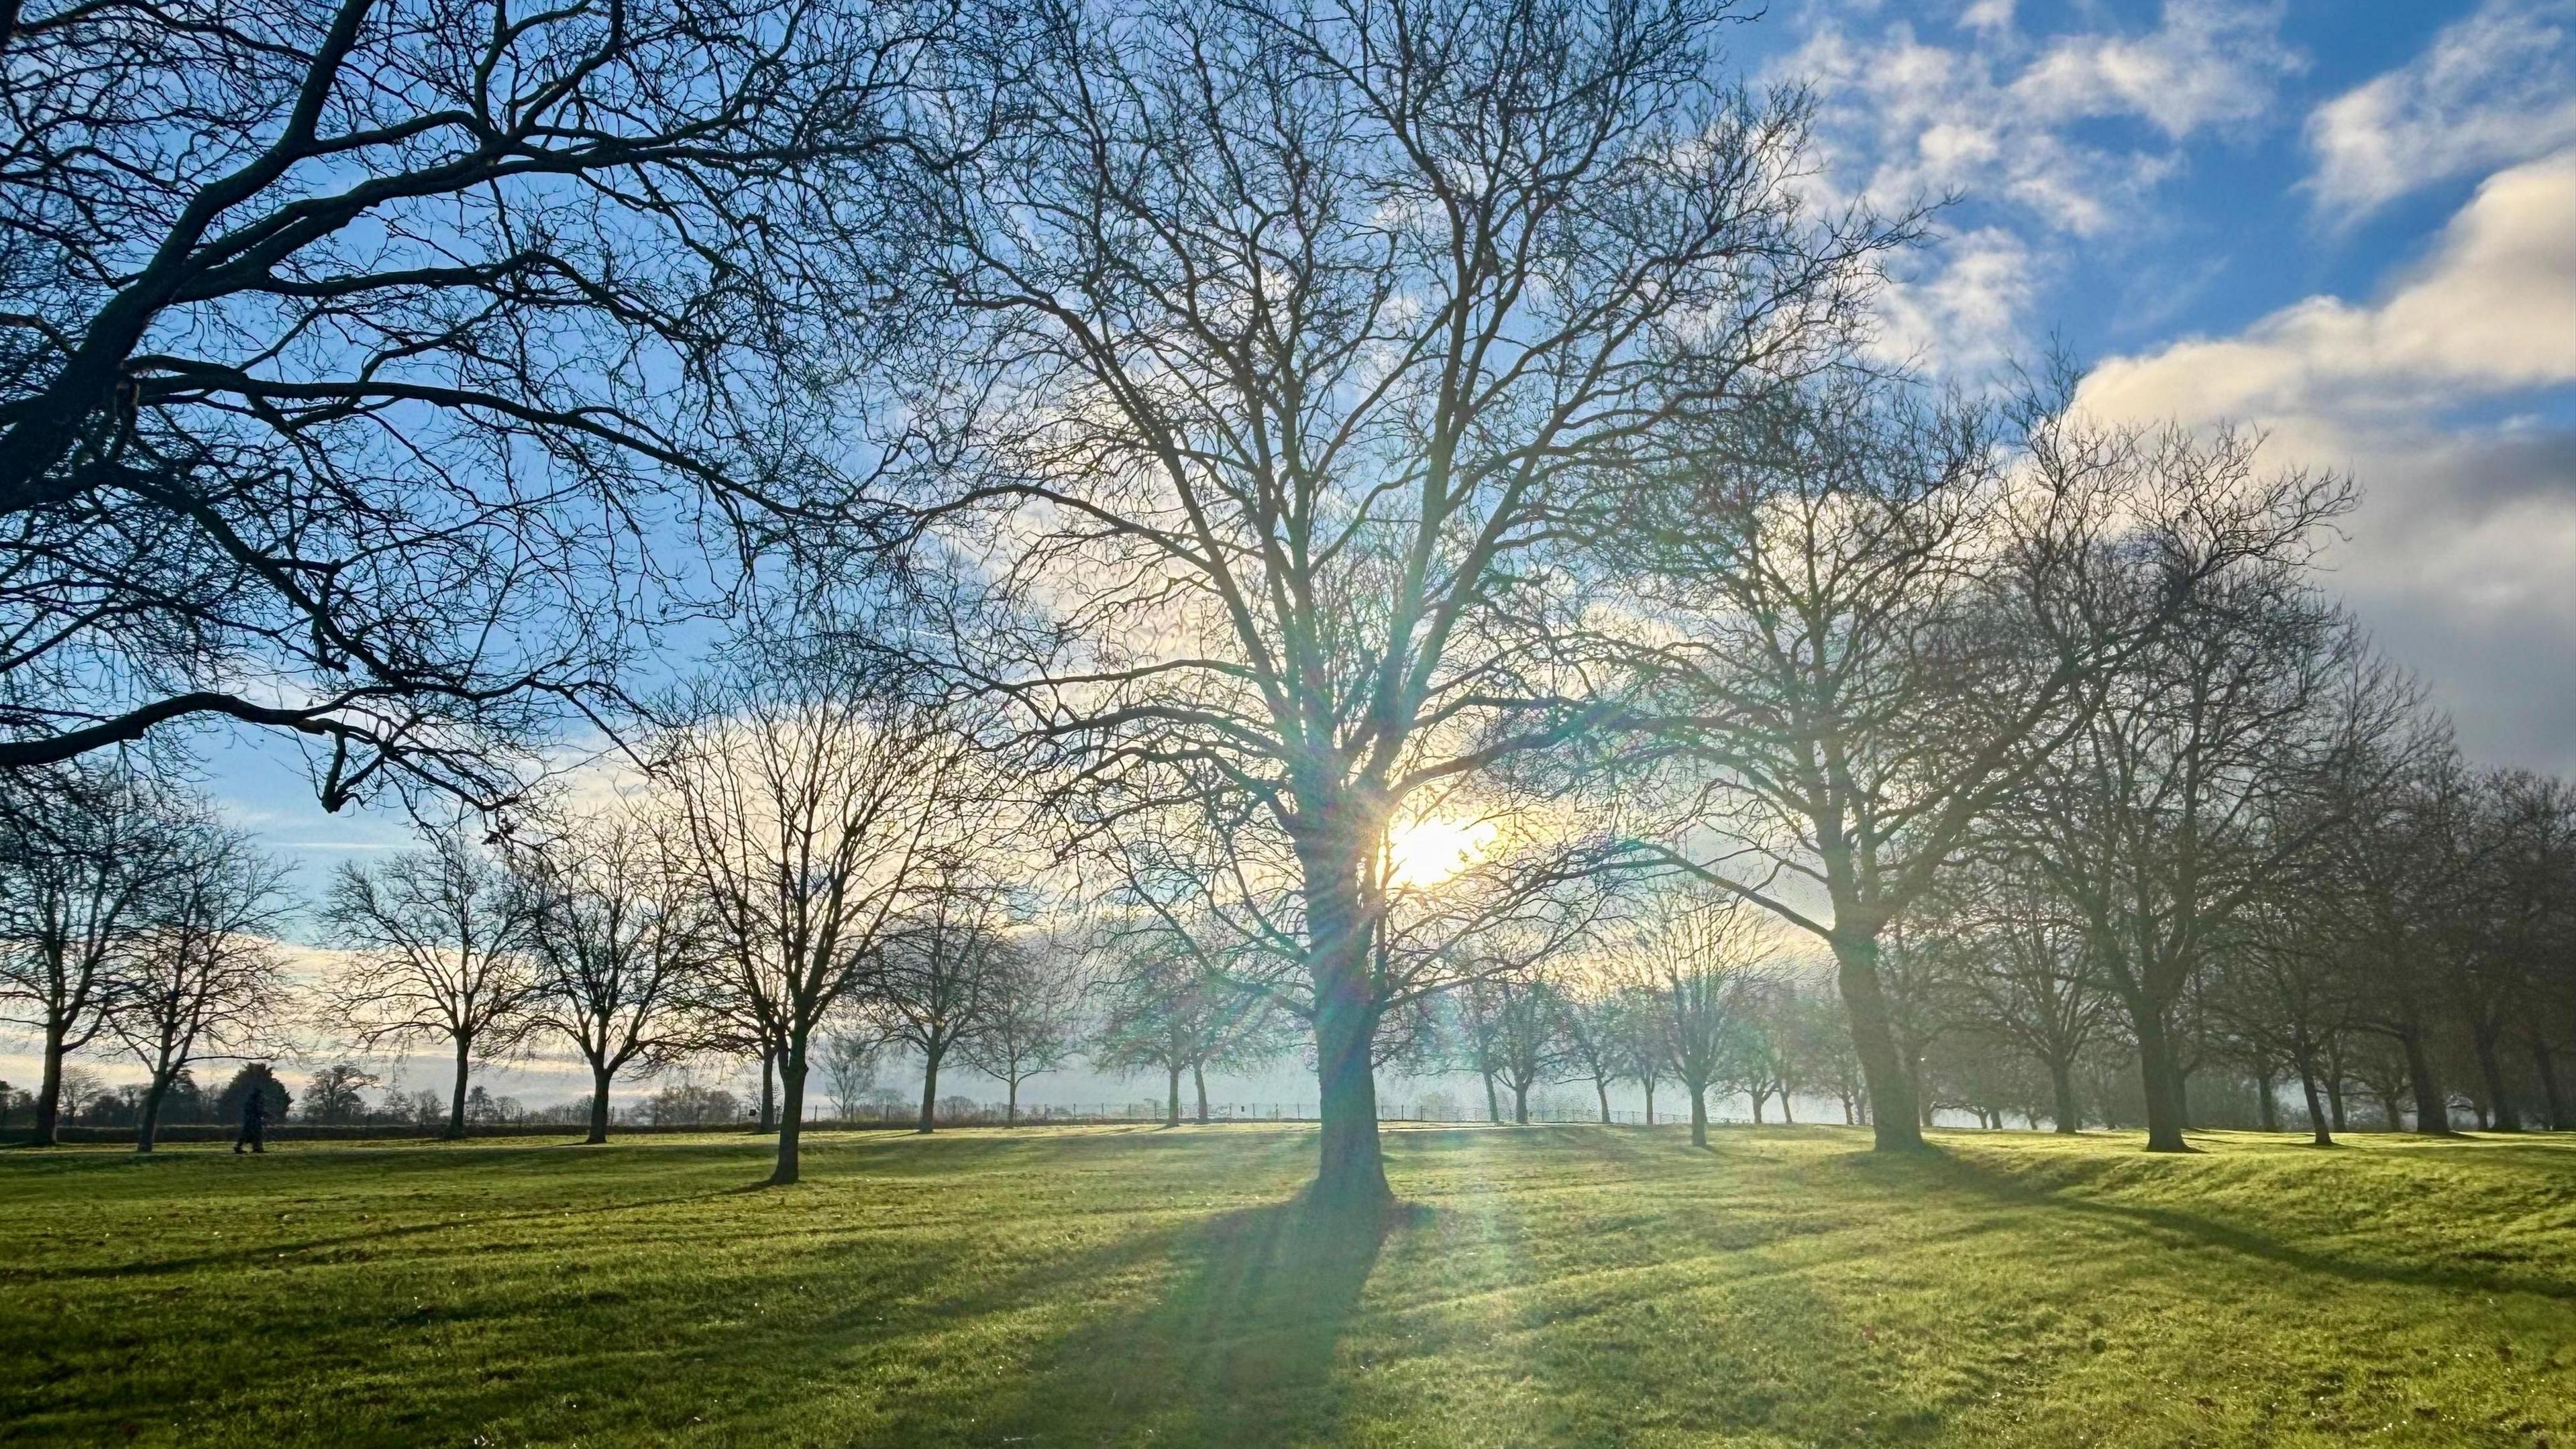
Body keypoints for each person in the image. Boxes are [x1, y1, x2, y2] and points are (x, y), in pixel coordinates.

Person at [234, 1065, 270, 1155]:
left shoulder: (252, 1098)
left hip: (251, 1119)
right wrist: (266, 1114)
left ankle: (256, 1147)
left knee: (250, 1134)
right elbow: (258, 1110)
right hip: (253, 1120)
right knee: (252, 1134)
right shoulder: (255, 1100)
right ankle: (253, 1147)